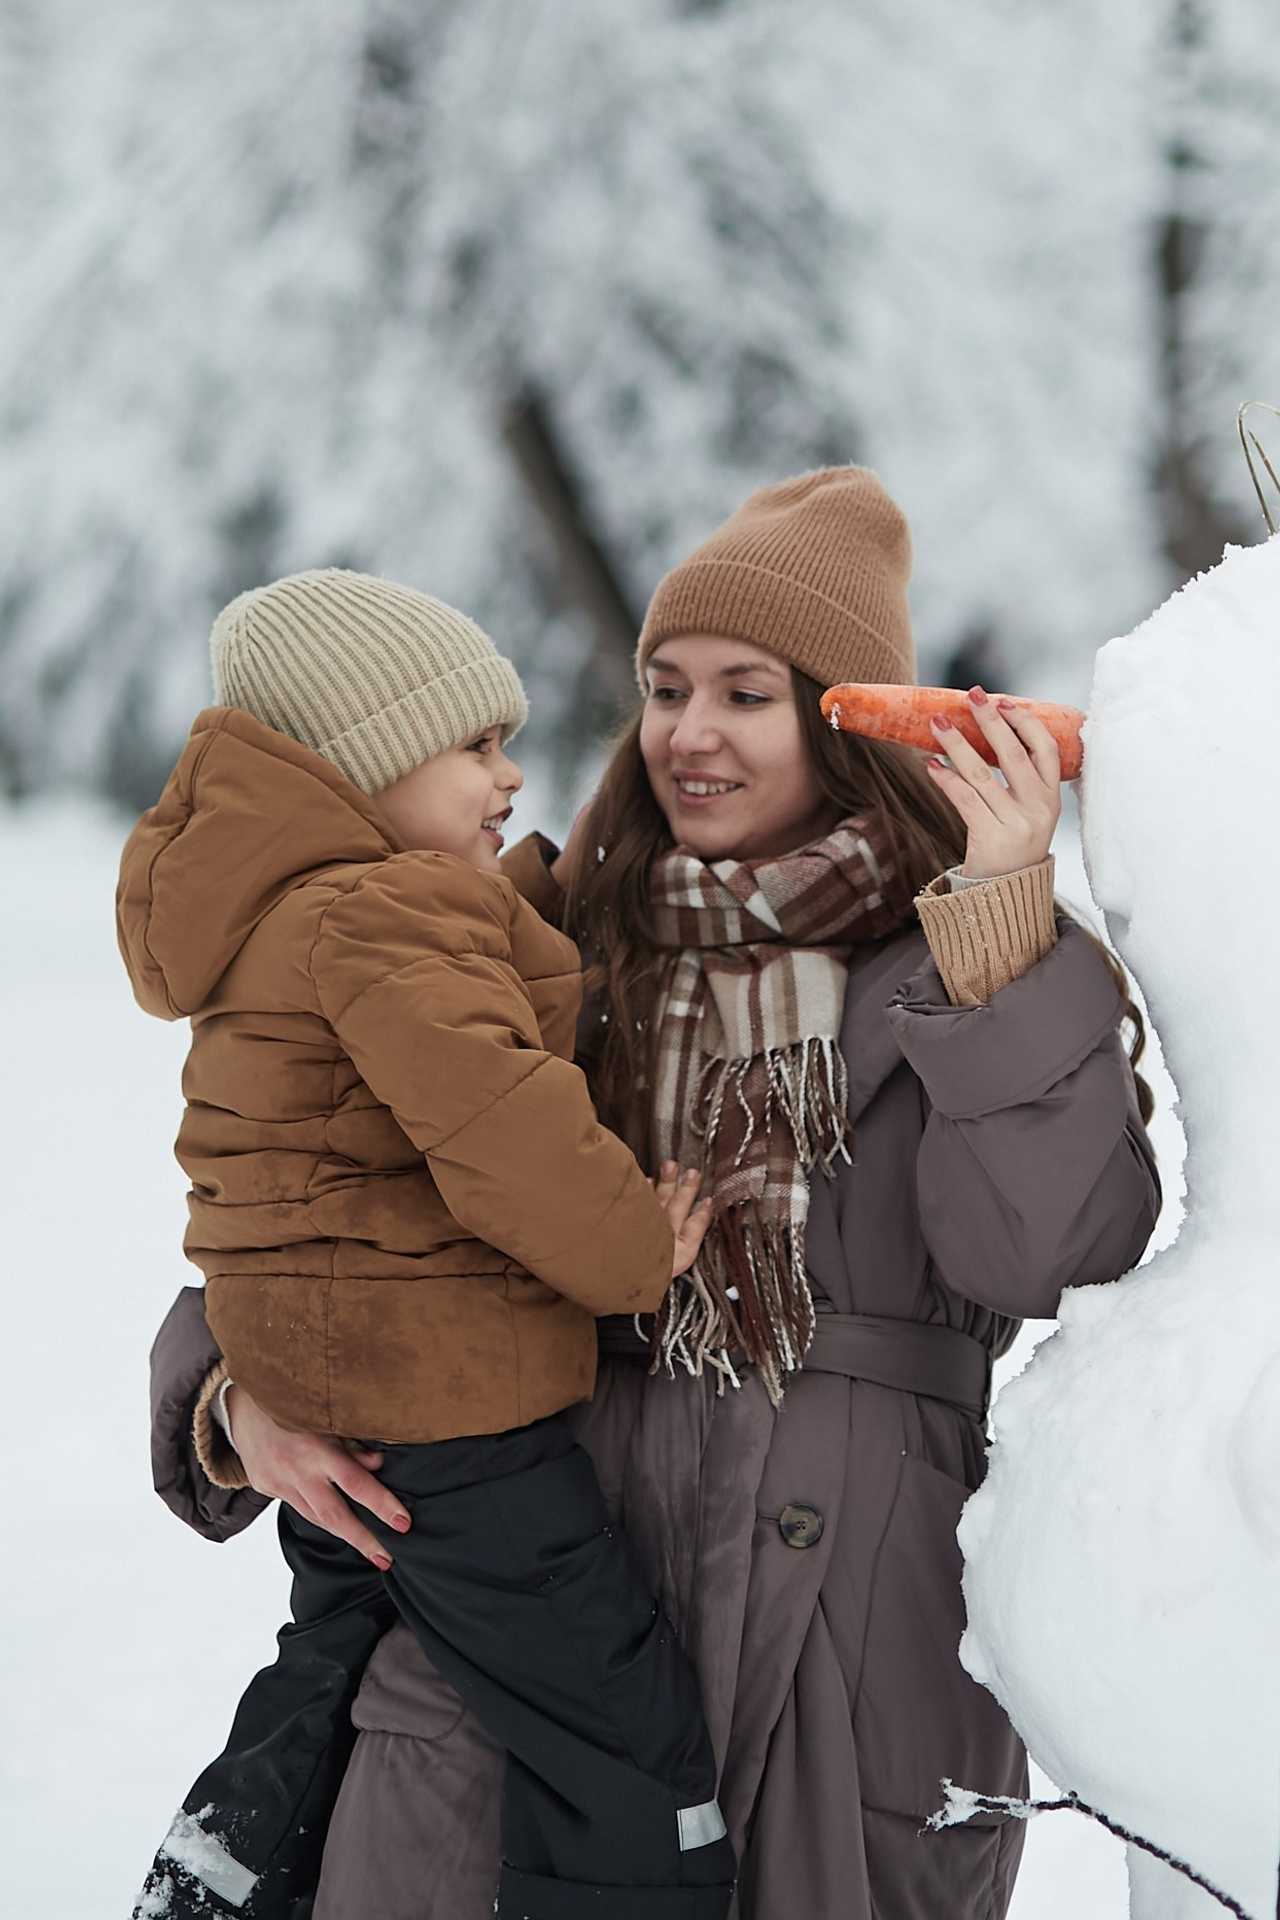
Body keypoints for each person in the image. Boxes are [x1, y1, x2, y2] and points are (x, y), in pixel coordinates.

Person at [147, 471, 1161, 1920]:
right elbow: (290, 1196)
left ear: (839, 717)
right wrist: (229, 1402)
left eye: (747, 693)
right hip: (518, 1644)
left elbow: (1056, 1254)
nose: (689, 732)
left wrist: (1004, 920)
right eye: (665, 687)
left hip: (840, 1663)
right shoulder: (533, 944)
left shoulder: (957, 960)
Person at [118, 569, 738, 1920]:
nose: (509, 776)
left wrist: (534, 887)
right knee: (616, 1717)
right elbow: (503, 1124)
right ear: (365, 765)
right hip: (450, 1412)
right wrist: (638, 1247)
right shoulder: (384, 919)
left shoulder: (288, 915)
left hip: (330, 1390)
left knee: (330, 1667)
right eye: (476, 748)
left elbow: (431, 1023)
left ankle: (224, 1873)